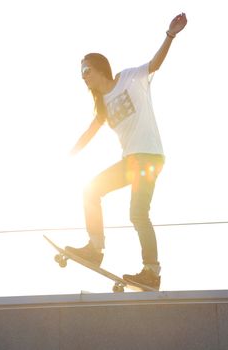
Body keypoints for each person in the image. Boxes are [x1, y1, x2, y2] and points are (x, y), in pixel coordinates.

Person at [67, 13, 187, 289]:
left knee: (137, 213)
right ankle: (95, 249)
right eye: (81, 74)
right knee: (91, 190)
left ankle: (152, 272)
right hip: (130, 161)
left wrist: (169, 35)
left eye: (86, 70)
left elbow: (155, 63)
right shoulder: (103, 106)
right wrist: (70, 154)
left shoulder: (130, 78)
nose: (83, 77)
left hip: (150, 157)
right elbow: (89, 131)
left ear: (99, 69)